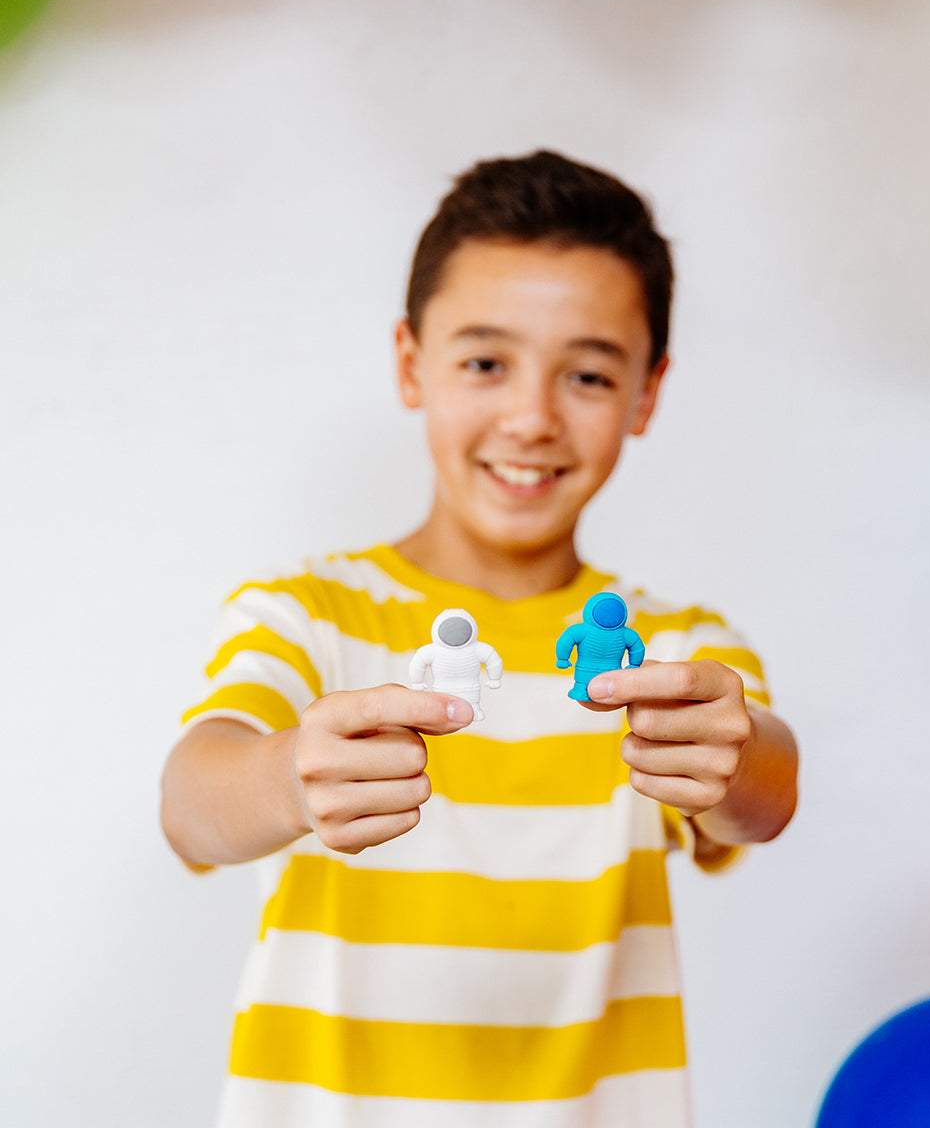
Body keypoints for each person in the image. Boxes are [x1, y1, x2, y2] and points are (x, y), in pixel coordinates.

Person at [161, 149, 800, 1128]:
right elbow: (193, 800)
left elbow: (766, 789)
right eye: (486, 362)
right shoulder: (314, 618)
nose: (533, 417)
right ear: (413, 365)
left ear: (646, 394)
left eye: (587, 374)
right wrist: (287, 777)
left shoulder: (673, 651)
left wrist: (736, 756)